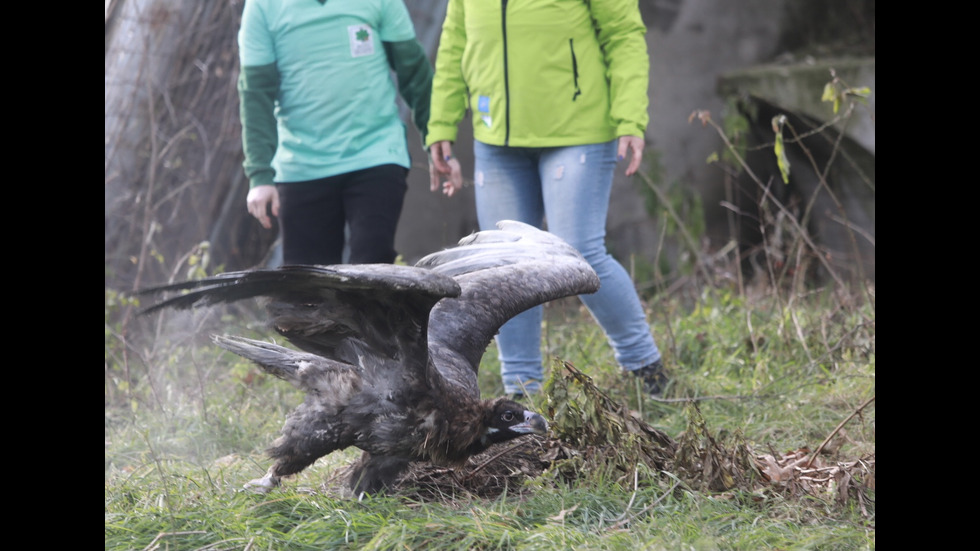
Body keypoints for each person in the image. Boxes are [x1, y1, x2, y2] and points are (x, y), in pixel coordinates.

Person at [426, 0, 668, 397]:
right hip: (496, 136)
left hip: (578, 130)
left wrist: (630, 117)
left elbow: (623, 34)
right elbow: (455, 41)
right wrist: (441, 125)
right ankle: (522, 388)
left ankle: (647, 370)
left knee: (579, 252)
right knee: (504, 265)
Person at [238, 0, 433, 266]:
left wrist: (436, 136)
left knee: (372, 271)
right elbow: (255, 93)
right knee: (308, 292)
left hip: (375, 153)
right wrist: (260, 175)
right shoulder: (262, 7)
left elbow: (413, 69)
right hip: (302, 165)